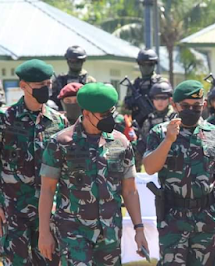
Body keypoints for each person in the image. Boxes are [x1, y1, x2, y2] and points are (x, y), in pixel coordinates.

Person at [38, 82, 149, 265]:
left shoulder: (121, 143)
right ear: (86, 113)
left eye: (110, 113)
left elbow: (129, 190)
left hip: (109, 235)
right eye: (103, 115)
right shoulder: (61, 143)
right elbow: (47, 190)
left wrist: (139, 229)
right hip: (73, 232)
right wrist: (44, 233)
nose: (109, 118)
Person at [142, 80, 215, 266]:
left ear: (204, 105)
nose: (191, 110)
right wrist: (168, 141)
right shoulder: (159, 132)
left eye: (196, 106)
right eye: (185, 106)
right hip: (173, 216)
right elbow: (149, 167)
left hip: (206, 217)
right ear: (175, 105)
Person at [0, 59, 68, 265]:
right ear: (23, 86)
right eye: (40, 86)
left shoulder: (59, 121)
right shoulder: (3, 119)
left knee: (49, 260)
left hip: (48, 210)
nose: (46, 89)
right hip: (13, 209)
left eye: (48, 84)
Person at [135, 81, 176, 171]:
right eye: (156, 98)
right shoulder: (149, 119)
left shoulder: (175, 117)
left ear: (170, 99)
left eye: (163, 98)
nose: (159, 102)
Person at [124, 49, 169, 128]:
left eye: (150, 64)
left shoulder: (162, 83)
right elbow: (125, 108)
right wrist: (132, 102)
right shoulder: (134, 84)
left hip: (159, 124)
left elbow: (170, 103)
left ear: (155, 64)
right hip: (139, 125)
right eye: (143, 64)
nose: (146, 67)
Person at [51, 45, 96, 110]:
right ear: (67, 61)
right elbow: (53, 101)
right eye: (72, 61)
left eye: (78, 61)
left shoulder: (90, 81)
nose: (74, 64)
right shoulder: (59, 80)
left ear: (83, 61)